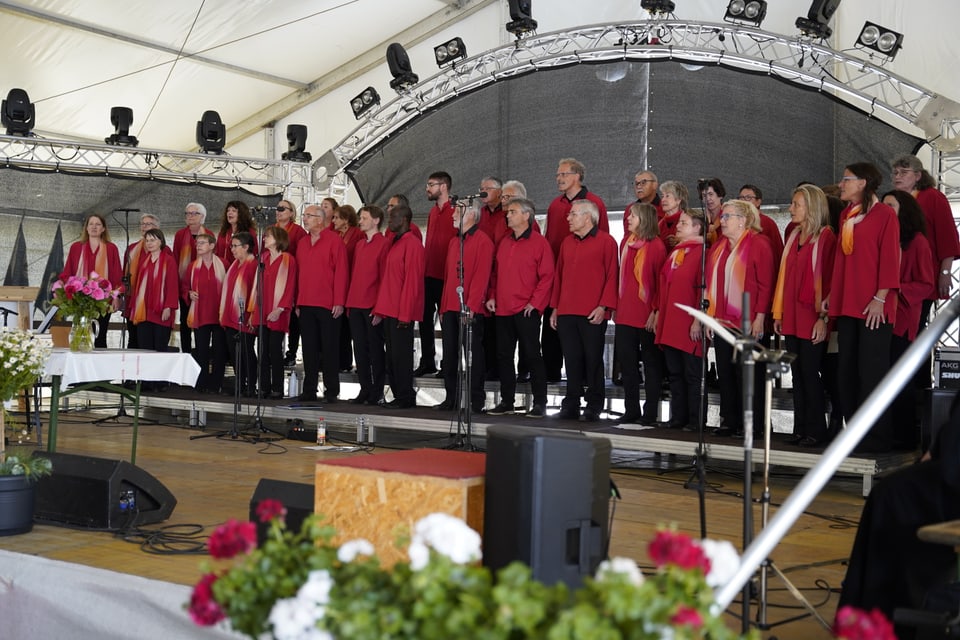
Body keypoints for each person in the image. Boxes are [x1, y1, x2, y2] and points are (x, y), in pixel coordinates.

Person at [826, 162, 900, 454]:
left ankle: (877, 439)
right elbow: (843, 261)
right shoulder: (847, 215)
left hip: (874, 307)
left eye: (846, 179)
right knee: (847, 371)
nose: (841, 184)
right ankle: (853, 434)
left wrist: (881, 297)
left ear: (864, 182)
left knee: (871, 372)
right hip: (847, 304)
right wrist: (833, 292)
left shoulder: (884, 215)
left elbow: (891, 258)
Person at [772, 185, 836, 447]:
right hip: (792, 315)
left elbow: (831, 281)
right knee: (796, 373)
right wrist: (779, 313)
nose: (791, 208)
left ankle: (816, 430)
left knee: (810, 372)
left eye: (796, 204)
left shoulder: (826, 237)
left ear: (812, 207)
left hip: (812, 315)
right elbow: (784, 278)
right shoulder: (793, 236)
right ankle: (799, 428)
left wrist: (824, 318)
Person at [706, 199, 775, 438]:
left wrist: (760, 317)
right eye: (722, 217)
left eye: (727, 217)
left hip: (748, 320)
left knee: (748, 374)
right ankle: (730, 420)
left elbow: (766, 285)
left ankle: (754, 424)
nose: (721, 221)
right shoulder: (718, 247)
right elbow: (710, 286)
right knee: (725, 371)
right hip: (723, 320)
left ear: (743, 220)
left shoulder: (759, 244)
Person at [549, 199, 618, 422]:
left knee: (593, 359)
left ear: (588, 217)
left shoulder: (607, 242)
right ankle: (571, 403)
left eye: (573, 214)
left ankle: (594, 404)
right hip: (567, 310)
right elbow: (558, 276)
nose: (568, 218)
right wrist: (555, 308)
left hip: (592, 311)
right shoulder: (567, 243)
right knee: (571, 359)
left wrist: (604, 306)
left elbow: (612, 276)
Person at [485, 197, 554, 418]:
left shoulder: (539, 243)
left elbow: (547, 276)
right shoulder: (504, 242)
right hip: (503, 309)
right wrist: (493, 296)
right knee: (504, 355)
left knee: (533, 355)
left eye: (512, 211)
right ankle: (507, 401)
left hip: (527, 310)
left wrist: (535, 303)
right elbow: (495, 274)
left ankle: (540, 403)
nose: (507, 215)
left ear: (526, 215)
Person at [544, 158, 609, 383]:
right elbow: (548, 240)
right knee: (554, 337)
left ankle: (591, 396)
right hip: (558, 278)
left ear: (577, 176)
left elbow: (603, 246)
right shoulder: (554, 206)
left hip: (587, 286)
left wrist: (603, 304)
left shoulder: (595, 203)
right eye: (557, 175)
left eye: (563, 174)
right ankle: (554, 379)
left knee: (590, 353)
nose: (559, 178)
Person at [882, 189, 934, 450]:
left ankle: (903, 437)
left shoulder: (917, 242)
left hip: (902, 318)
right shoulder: (882, 238)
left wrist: (896, 288)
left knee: (899, 380)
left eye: (891, 205)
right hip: (880, 318)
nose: (885, 209)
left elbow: (926, 284)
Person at [434, 201, 494, 413]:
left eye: (458, 211)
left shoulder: (483, 241)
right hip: (450, 306)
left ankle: (476, 400)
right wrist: (442, 307)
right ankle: (451, 398)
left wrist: (471, 306)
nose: (452, 215)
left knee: (472, 356)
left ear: (471, 214)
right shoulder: (454, 242)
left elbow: (481, 277)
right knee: (449, 355)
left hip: (469, 308)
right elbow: (449, 277)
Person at [891, 155, 959, 329]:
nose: (898, 176)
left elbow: (947, 237)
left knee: (916, 328)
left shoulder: (933, 197)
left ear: (918, 176)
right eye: (896, 172)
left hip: (924, 274)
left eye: (904, 172)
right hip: (899, 275)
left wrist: (945, 272)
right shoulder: (894, 200)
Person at [615, 202, 667, 425]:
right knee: (627, 365)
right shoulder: (626, 242)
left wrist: (655, 310)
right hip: (625, 313)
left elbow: (659, 283)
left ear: (644, 219)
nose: (628, 219)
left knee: (651, 365)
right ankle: (631, 408)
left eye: (633, 216)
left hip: (646, 314)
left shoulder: (656, 246)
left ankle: (650, 412)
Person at [654, 209, 706, 431]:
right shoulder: (676, 251)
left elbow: (703, 289)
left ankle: (696, 420)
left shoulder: (703, 253)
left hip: (689, 321)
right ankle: (678, 417)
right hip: (671, 320)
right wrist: (659, 313)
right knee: (675, 373)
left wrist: (698, 319)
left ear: (697, 227)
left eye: (684, 223)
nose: (678, 226)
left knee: (692, 374)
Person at [373, 203, 425, 409]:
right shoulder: (394, 242)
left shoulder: (412, 244)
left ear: (403, 219)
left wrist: (405, 314)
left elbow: (412, 281)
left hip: (401, 310)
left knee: (401, 357)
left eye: (393, 218)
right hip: (389, 309)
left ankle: (405, 395)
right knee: (392, 357)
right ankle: (399, 394)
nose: (389, 222)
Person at [295, 204, 348, 403]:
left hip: (328, 303)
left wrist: (339, 301)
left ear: (320, 218)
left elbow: (342, 272)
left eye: (308, 215)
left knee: (329, 348)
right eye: (304, 215)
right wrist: (298, 301)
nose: (304, 218)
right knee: (308, 348)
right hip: (306, 302)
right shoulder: (302, 242)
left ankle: (331, 390)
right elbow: (299, 274)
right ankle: (309, 389)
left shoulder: (334, 241)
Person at [346, 205, 390, 406]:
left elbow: (384, 278)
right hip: (356, 304)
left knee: (375, 349)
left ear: (376, 220)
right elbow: (355, 275)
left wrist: (379, 308)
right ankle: (365, 388)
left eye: (364, 217)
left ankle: (377, 390)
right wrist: (349, 303)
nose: (360, 221)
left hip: (372, 305)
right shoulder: (360, 245)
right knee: (360, 350)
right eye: (360, 217)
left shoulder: (384, 244)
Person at [60, 213, 122, 348]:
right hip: (80, 299)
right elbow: (67, 273)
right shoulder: (76, 247)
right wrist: (69, 290)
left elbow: (117, 275)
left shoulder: (111, 248)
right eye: (91, 224)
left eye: (98, 224)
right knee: (80, 334)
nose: (94, 227)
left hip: (103, 300)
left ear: (103, 229)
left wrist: (116, 296)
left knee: (100, 337)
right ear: (86, 228)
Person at [416, 171, 457, 377]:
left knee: (448, 323)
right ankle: (427, 360)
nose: (427, 188)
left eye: (431, 184)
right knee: (424, 320)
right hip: (429, 273)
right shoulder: (433, 213)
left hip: (446, 277)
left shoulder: (456, 210)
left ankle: (449, 363)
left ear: (443, 186)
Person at [253, 226, 297, 399]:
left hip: (278, 309)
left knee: (274, 349)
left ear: (278, 239)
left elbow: (290, 286)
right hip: (262, 309)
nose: (264, 239)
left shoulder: (288, 260)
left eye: (268, 236)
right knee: (262, 349)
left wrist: (280, 309)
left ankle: (277, 387)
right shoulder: (263, 258)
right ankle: (263, 386)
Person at [184, 233, 227, 394]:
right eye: (197, 243)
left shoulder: (223, 263)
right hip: (200, 313)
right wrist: (189, 293)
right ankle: (201, 383)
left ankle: (216, 384)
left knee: (219, 350)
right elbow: (184, 287)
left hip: (219, 314)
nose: (199, 245)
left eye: (202, 243)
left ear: (212, 245)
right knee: (201, 350)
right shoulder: (193, 266)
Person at [219, 231, 258, 397]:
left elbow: (255, 292)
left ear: (246, 247)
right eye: (231, 246)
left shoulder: (254, 265)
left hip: (245, 316)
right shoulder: (234, 265)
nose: (232, 249)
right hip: (230, 316)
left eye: (235, 246)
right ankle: (240, 383)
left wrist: (251, 314)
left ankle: (251, 385)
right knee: (234, 352)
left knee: (247, 351)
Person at [129, 228, 178, 353]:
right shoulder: (143, 262)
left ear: (160, 241)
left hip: (161, 311)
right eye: (147, 240)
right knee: (145, 349)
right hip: (144, 311)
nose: (149, 243)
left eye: (153, 240)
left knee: (160, 349)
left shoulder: (169, 260)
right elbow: (138, 287)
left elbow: (172, 286)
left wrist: (168, 306)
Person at [173, 202, 213, 354]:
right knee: (185, 321)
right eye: (187, 213)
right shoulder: (180, 235)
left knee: (202, 322)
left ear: (202, 216)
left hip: (203, 285)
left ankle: (201, 353)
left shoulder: (209, 234)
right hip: (184, 284)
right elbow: (176, 258)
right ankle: (187, 353)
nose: (190, 216)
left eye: (193, 213)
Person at [273, 199, 306, 367]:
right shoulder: (271, 229)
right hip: (273, 278)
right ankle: (273, 352)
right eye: (277, 209)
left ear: (292, 212)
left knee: (292, 316)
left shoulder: (298, 231)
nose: (278, 211)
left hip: (291, 275)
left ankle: (291, 352)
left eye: (282, 208)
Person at [122, 213, 162, 349]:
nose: (145, 227)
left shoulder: (164, 251)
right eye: (143, 224)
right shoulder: (132, 248)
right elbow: (124, 273)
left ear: (157, 228)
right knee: (133, 339)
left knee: (149, 342)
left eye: (149, 224)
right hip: (133, 300)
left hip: (152, 302)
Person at [333, 204, 362, 374]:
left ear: (346, 220)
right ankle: (342, 360)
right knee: (340, 325)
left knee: (350, 326)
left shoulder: (357, 234)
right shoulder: (337, 235)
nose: (334, 220)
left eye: (337, 217)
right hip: (341, 282)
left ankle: (348, 361)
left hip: (352, 281)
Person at [624, 171, 663, 236]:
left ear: (655, 185)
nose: (639, 186)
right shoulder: (630, 209)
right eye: (636, 183)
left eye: (643, 183)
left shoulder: (665, 207)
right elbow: (627, 236)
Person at [657, 180, 689, 249]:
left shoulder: (688, 221)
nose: (663, 200)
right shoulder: (660, 224)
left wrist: (681, 241)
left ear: (678, 200)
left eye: (667, 196)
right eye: (662, 196)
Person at [698, 178, 726, 245]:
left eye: (711, 194)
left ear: (720, 195)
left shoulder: (728, 216)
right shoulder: (702, 219)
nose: (707, 199)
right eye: (704, 195)